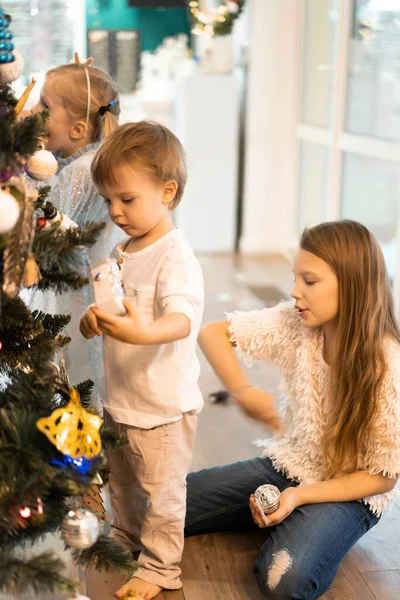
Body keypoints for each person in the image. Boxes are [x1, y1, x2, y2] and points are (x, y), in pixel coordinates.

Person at [185, 220, 400, 600]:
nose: (295, 291)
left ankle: (304, 523)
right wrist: (243, 390)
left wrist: (299, 498)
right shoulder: (297, 322)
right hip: (291, 463)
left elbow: (382, 478)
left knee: (282, 578)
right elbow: (212, 333)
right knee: (164, 508)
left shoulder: (388, 367)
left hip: (350, 493)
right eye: (295, 278)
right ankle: (287, 518)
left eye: (309, 281)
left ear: (351, 284)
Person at [79, 121, 204, 600]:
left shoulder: (175, 255)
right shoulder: (124, 249)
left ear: (166, 192)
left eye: (126, 199)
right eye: (109, 200)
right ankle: (129, 537)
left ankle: (161, 566)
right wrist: (97, 319)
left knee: (163, 494)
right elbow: (112, 308)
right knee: (124, 481)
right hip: (122, 398)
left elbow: (181, 320)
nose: (115, 212)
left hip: (162, 409)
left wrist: (141, 331)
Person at [29, 59, 122, 396]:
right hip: (76, 284)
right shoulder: (83, 162)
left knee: (68, 374)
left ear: (78, 129)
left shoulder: (80, 171)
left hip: (69, 291)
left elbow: (41, 224)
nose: (34, 110)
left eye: (44, 104)